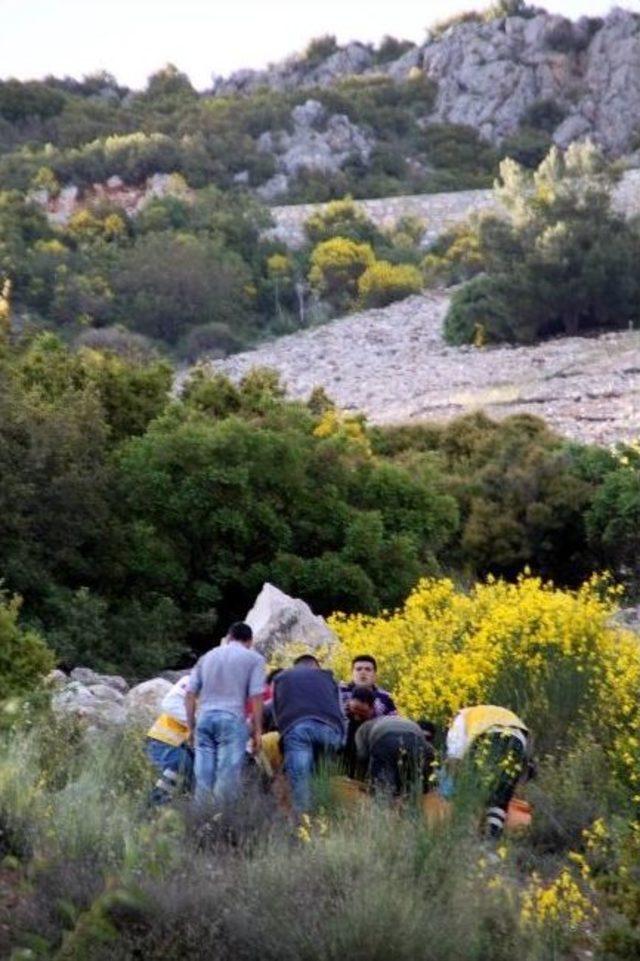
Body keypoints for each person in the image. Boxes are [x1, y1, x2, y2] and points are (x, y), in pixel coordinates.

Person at [186, 622, 265, 805]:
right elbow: (256, 696)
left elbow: (190, 694)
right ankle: (220, 825)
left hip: (204, 719)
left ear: (229, 637)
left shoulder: (206, 657)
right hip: (232, 719)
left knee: (203, 780)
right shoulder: (254, 659)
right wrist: (257, 731)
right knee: (226, 780)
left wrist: (191, 727)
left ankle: (199, 823)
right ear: (250, 641)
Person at [443, 704, 530, 839]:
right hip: (519, 737)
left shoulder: (461, 718)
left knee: (476, 792)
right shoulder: (484, 712)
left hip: (488, 736)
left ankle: (468, 837)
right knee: (500, 796)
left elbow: (455, 758)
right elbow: (525, 765)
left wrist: (455, 790)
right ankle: (491, 840)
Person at [272, 654, 344, 814]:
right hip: (330, 730)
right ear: (315, 666)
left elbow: (275, 711)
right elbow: (341, 710)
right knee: (325, 776)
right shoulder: (328, 677)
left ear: (295, 666)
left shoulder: (282, 678)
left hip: (298, 729)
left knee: (301, 784)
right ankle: (329, 815)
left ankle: (304, 825)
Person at [350, 687, 434, 798]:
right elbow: (429, 751)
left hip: (385, 739)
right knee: (411, 787)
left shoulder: (363, 728)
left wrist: (360, 782)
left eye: (360, 713)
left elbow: (362, 757)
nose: (356, 717)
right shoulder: (400, 719)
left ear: (371, 709)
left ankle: (383, 811)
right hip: (415, 738)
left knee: (384, 790)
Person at [340, 654, 397, 776]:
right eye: (358, 669)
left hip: (373, 741)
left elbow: (393, 721)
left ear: (375, 674)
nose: (363, 673)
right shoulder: (340, 691)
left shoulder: (385, 697)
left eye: (368, 669)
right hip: (342, 740)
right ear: (352, 672)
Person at [145, 674, 194, 805]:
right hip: (165, 739)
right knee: (180, 765)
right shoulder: (192, 679)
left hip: (190, 745)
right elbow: (170, 704)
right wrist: (196, 724)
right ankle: (154, 807)